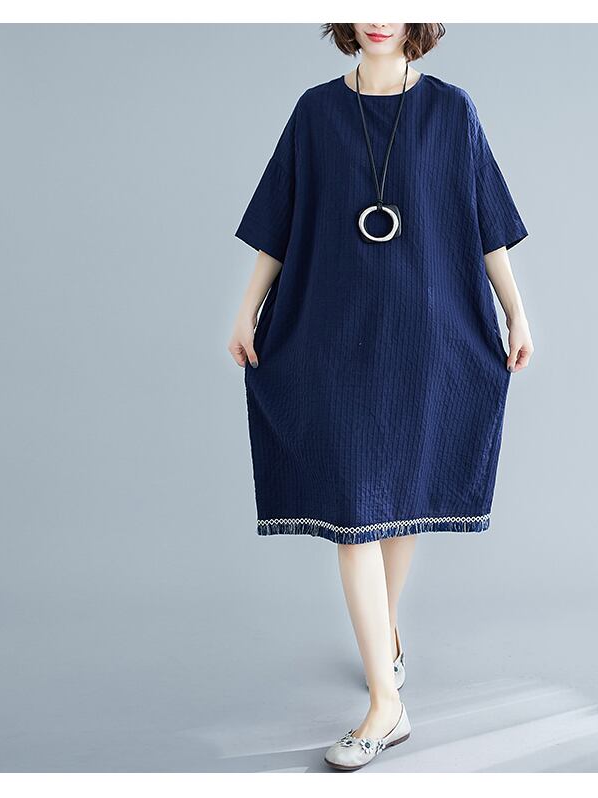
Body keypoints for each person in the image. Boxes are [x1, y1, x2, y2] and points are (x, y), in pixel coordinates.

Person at [227, 22, 534, 771]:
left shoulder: (452, 110)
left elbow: (486, 222)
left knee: (401, 494)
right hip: (333, 336)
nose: (378, 16)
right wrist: (246, 307)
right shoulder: (315, 112)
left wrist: (517, 310)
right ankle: (386, 704)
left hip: (426, 336)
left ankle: (385, 640)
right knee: (355, 513)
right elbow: (280, 222)